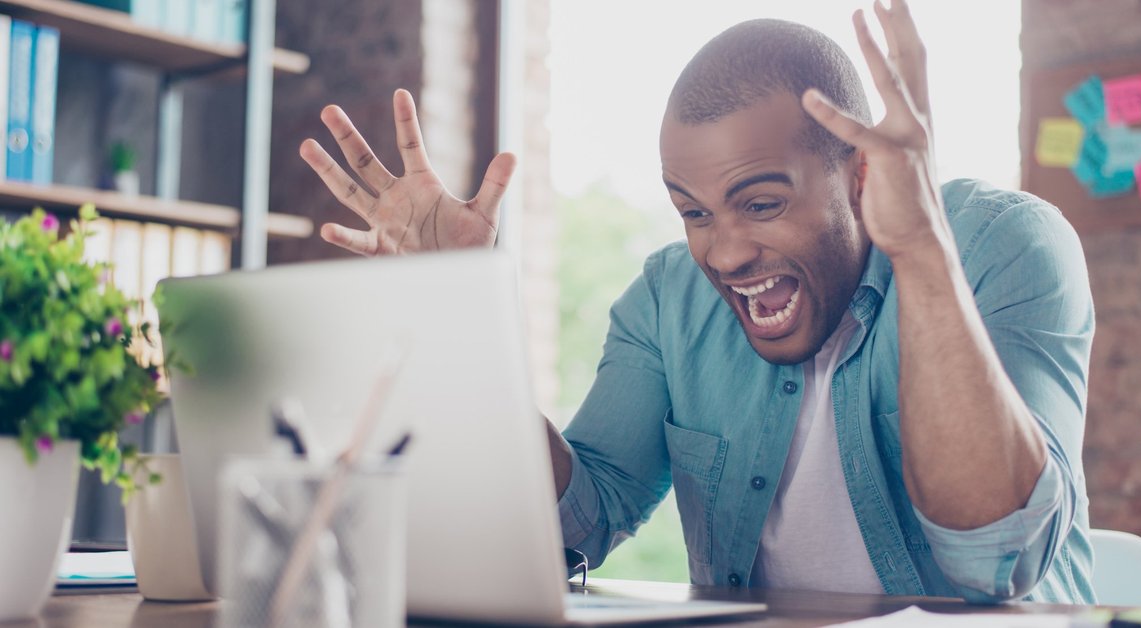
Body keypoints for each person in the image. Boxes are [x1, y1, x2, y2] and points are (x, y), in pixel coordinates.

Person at [299, 1, 1093, 604]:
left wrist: (918, 250)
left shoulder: (1003, 246)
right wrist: (458, 310)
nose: (724, 253)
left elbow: (997, 562)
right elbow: (574, 527)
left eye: (761, 203)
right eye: (694, 211)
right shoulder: (666, 300)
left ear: (859, 177)